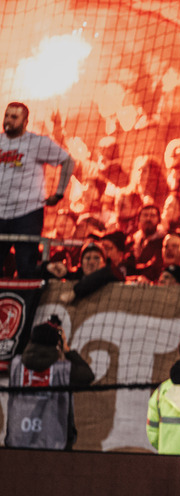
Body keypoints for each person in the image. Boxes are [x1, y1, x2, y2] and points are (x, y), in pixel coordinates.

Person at [0, 102, 75, 277]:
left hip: (27, 213)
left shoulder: (37, 142)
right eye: (6, 115)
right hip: (0, 212)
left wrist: (59, 193)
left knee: (26, 267)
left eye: (14, 117)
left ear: (25, 122)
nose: (8, 120)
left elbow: (68, 161)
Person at [5, 317, 95, 449]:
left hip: (17, 442)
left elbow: (30, 357)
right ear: (57, 344)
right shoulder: (63, 370)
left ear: (31, 341)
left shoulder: (15, 365)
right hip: (54, 445)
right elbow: (88, 376)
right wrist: (66, 349)